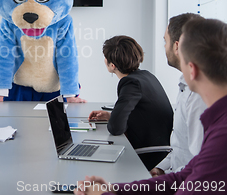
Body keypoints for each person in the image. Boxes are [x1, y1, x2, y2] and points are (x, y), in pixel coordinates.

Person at [75, 18, 227, 195]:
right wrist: (115, 190)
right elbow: (183, 176)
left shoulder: (221, 134)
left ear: (192, 71)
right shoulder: (216, 123)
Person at [88, 36, 173, 170]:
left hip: (148, 156)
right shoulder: (146, 75)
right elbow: (142, 115)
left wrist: (114, 119)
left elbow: (116, 128)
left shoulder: (130, 83)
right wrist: (111, 115)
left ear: (112, 65)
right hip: (160, 150)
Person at [151, 14, 207, 176]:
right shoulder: (185, 86)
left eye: (165, 41)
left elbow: (199, 167)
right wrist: (161, 167)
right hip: (174, 177)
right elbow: (181, 147)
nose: (164, 46)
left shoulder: (199, 96)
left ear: (176, 46)